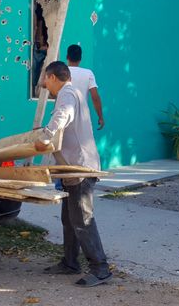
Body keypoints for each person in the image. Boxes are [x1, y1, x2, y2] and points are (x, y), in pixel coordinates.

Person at [35, 61, 112, 287]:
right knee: (69, 219)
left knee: (82, 220)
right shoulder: (73, 92)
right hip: (71, 169)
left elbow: (63, 115)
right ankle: (70, 262)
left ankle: (100, 269)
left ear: (52, 77)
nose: (46, 85)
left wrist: (46, 136)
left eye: (46, 80)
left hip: (80, 168)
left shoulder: (67, 93)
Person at [66, 44, 104, 130]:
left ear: (67, 56)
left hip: (63, 116)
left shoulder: (61, 72)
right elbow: (95, 97)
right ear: (80, 58)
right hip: (82, 117)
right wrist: (100, 117)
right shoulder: (88, 73)